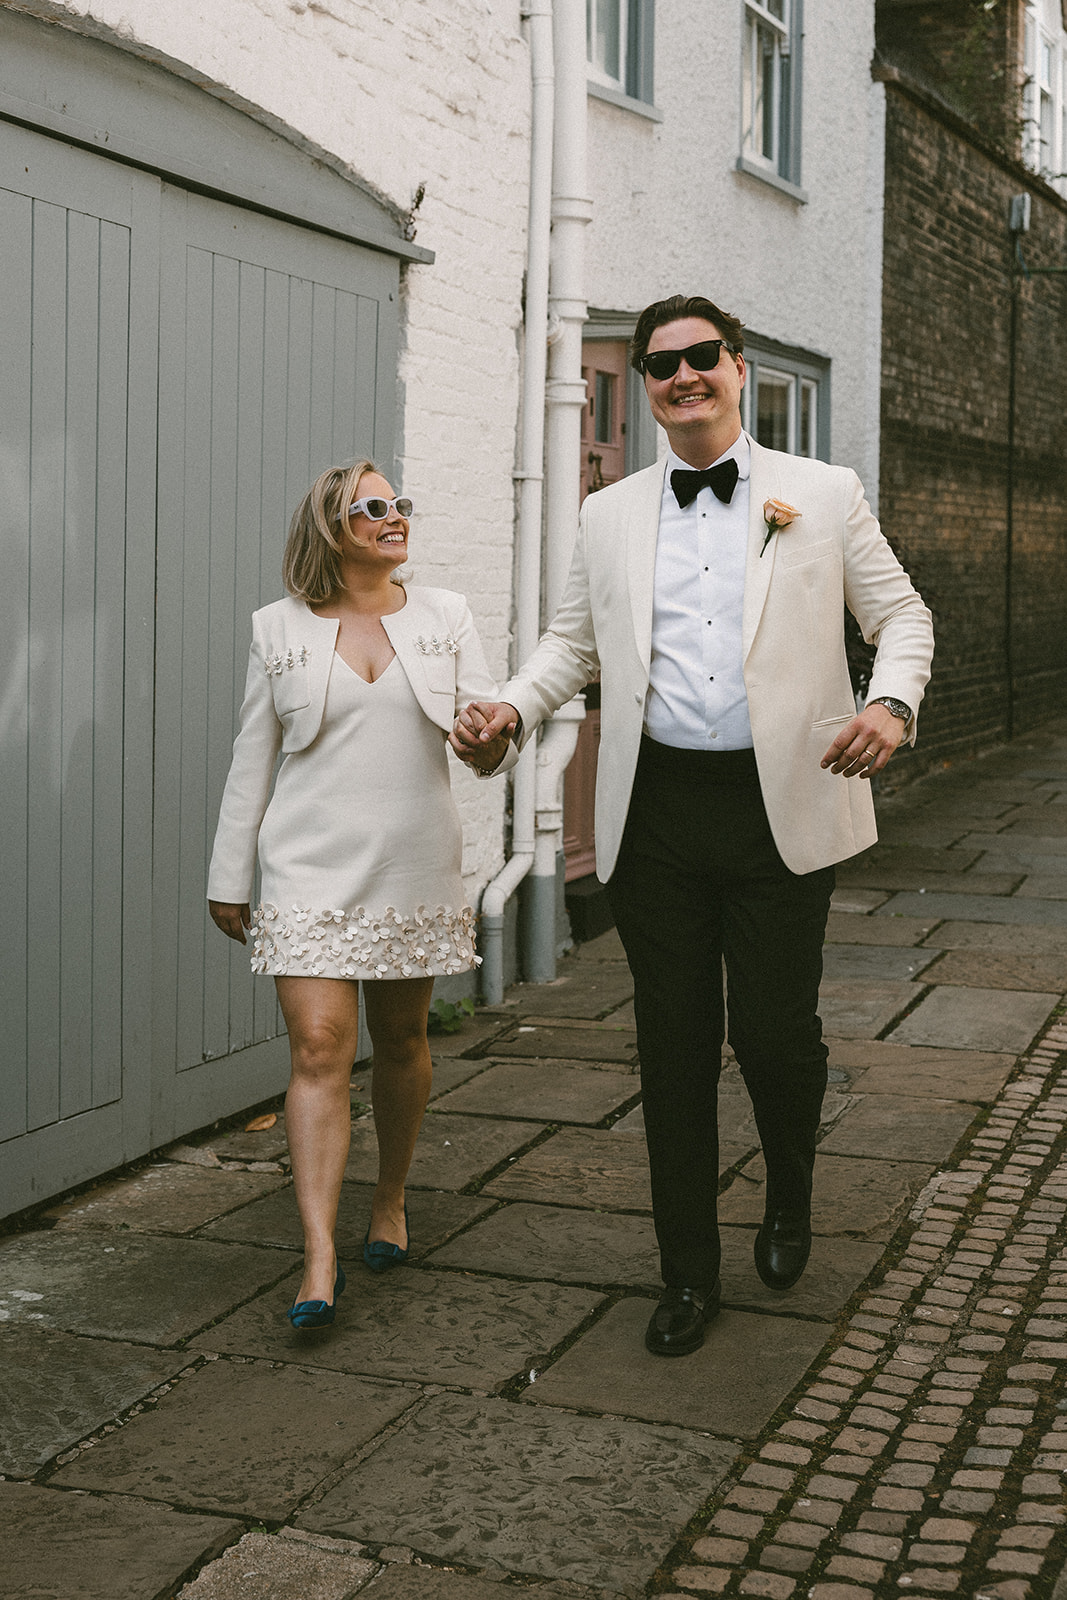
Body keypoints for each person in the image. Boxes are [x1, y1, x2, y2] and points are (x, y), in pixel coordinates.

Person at [451, 294, 934, 1358]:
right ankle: (685, 1273)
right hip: (656, 813)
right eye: (658, 365)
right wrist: (510, 704)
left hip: (780, 808)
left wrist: (887, 705)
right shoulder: (607, 511)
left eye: (698, 357)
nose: (680, 378)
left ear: (735, 363)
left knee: (771, 1035)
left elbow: (898, 616)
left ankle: (788, 1195)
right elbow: (571, 645)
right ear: (648, 386)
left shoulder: (820, 492)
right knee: (669, 1049)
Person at [208, 460, 508, 1329]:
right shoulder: (279, 629)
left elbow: (487, 741)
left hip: (412, 860)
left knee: (402, 1036)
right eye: (370, 508)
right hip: (306, 865)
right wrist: (229, 876)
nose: (392, 517)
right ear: (331, 530)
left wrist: (489, 744)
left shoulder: (447, 617)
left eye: (398, 504)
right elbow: (251, 759)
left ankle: (389, 1200)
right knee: (317, 1047)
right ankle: (318, 1256)